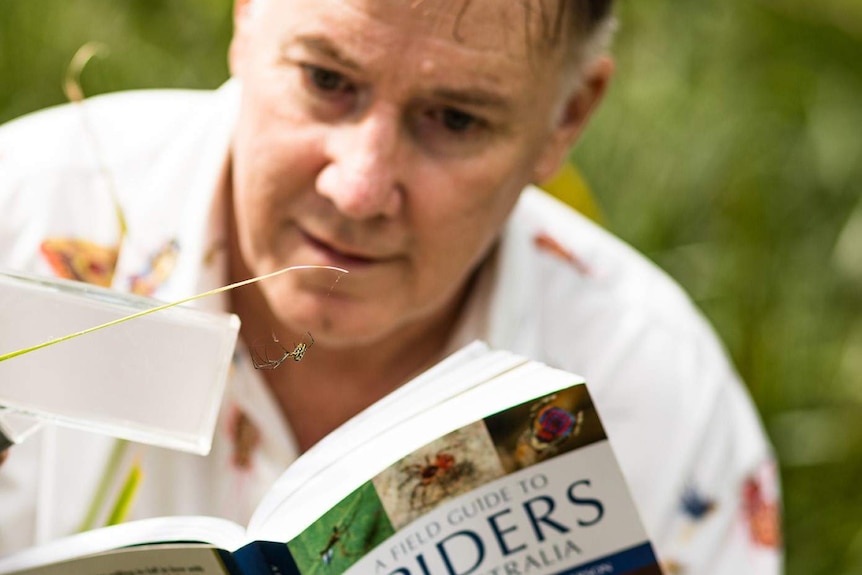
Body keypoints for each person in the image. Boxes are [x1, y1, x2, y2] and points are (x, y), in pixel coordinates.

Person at [0, 0, 782, 571]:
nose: (360, 187)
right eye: (326, 79)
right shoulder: (19, 222)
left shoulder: (655, 387)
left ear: (565, 119)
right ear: (245, 18)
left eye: (455, 119)